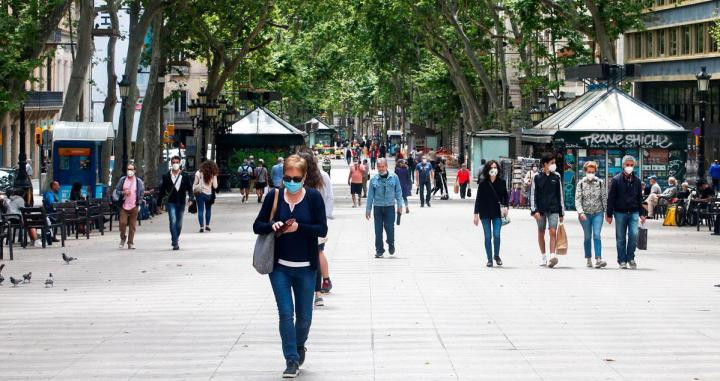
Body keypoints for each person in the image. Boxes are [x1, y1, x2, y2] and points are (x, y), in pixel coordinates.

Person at [252, 155, 328, 378]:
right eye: (287, 178)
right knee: (286, 313)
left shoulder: (313, 197)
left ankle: (299, 344)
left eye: (296, 178)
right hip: (280, 267)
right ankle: (291, 359)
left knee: (304, 316)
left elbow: (322, 229)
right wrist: (271, 225)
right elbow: (257, 225)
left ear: (304, 177)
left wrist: (299, 228)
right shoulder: (274, 196)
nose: (291, 181)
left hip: (306, 267)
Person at [296, 150, 334, 307]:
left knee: (314, 253)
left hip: (312, 224)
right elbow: (329, 197)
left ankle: (317, 290)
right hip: (313, 223)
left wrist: (323, 220)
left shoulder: (321, 177)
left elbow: (328, 198)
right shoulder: (321, 177)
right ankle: (320, 286)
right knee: (316, 253)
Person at [606, 155, 646, 269]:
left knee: (634, 235)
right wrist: (609, 214)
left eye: (631, 165)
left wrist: (642, 214)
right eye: (627, 165)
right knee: (620, 238)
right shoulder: (616, 180)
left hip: (634, 212)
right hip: (620, 213)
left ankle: (631, 258)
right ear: (623, 165)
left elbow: (640, 198)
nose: (629, 167)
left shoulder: (637, 181)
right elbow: (611, 198)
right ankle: (622, 260)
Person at [530, 152, 564, 268]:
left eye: (554, 163)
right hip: (540, 210)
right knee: (541, 232)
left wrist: (561, 212)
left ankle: (552, 256)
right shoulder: (536, 177)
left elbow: (560, 195)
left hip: (553, 209)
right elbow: (533, 194)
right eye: (552, 163)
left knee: (552, 231)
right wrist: (534, 211)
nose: (554, 165)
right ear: (545, 164)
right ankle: (543, 256)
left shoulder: (557, 176)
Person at [473, 160, 508, 267]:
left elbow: (505, 196)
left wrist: (506, 207)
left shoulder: (502, 182)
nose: (494, 169)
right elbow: (478, 199)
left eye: (495, 167)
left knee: (496, 235)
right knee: (488, 236)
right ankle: (489, 259)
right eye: (492, 167)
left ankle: (496, 256)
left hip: (497, 212)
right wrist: (476, 214)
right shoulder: (483, 183)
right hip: (485, 213)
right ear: (488, 169)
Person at [366, 158, 404, 258]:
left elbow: (398, 192)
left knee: (390, 229)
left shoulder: (394, 177)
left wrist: (400, 205)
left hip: (390, 207)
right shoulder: (374, 179)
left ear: (387, 166)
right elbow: (370, 196)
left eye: (383, 166)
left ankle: (391, 243)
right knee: (378, 231)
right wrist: (368, 210)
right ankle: (379, 250)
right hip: (377, 208)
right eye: (379, 167)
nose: (381, 169)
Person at [574, 161, 608, 268]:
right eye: (589, 171)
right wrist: (581, 212)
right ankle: (588, 258)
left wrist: (607, 212)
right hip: (585, 214)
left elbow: (604, 198)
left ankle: (598, 258)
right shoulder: (580, 184)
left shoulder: (600, 182)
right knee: (587, 237)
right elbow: (578, 200)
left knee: (597, 235)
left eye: (593, 172)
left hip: (598, 213)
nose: (591, 173)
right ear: (585, 172)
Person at [160, 156, 194, 250]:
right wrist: (159, 203)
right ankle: (175, 242)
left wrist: (191, 199)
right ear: (171, 164)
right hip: (171, 202)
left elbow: (190, 189)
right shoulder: (166, 176)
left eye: (177, 162)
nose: (175, 163)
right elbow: (162, 190)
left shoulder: (185, 176)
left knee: (179, 223)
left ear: (179, 163)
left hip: (181, 202)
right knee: (173, 221)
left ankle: (175, 237)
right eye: (173, 162)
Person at [113, 163, 145, 250]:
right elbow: (117, 190)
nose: (129, 171)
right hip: (124, 205)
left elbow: (141, 193)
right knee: (122, 223)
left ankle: (130, 243)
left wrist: (139, 203)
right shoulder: (122, 180)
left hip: (134, 205)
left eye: (131, 169)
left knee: (132, 226)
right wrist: (123, 192)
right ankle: (123, 238)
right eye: (128, 169)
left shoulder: (138, 181)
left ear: (134, 171)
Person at [193, 160, 218, 233]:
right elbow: (215, 186)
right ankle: (207, 225)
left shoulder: (198, 172)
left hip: (200, 193)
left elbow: (195, 184)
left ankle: (201, 227)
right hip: (209, 194)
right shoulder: (213, 173)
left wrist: (193, 192)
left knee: (200, 210)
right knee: (208, 209)